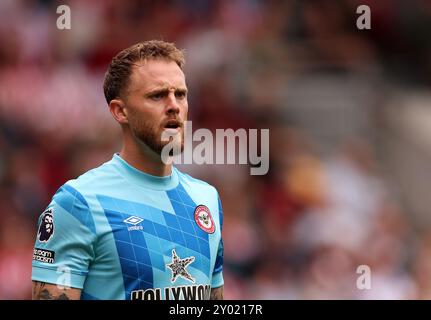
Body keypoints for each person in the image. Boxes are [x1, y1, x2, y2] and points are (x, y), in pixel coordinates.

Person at [31, 40, 224, 300]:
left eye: (180, 94)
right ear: (120, 111)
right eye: (157, 95)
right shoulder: (79, 203)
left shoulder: (206, 199)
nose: (174, 106)